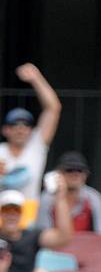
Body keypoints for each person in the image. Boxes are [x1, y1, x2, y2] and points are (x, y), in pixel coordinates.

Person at [0, 63, 62, 200]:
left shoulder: (36, 146)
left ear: (31, 130)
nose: (20, 129)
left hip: (30, 215)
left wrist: (36, 77)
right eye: (14, 124)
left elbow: (53, 109)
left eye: (26, 125)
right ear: (5, 130)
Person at [0, 185, 72, 272]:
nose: (12, 215)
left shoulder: (32, 236)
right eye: (6, 210)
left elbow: (63, 238)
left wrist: (61, 199)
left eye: (16, 210)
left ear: (22, 213)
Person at [37, 151, 101, 235]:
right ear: (58, 174)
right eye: (69, 170)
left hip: (86, 247)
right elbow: (43, 235)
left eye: (80, 170)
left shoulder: (94, 198)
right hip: (53, 247)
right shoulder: (46, 199)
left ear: (86, 174)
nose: (75, 174)